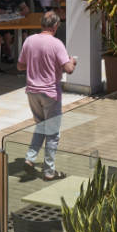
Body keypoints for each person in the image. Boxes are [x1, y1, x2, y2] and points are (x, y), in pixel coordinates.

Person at [17, 13, 76, 180]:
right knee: (52, 133)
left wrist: (35, 62)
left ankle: (30, 159)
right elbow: (69, 69)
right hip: (50, 92)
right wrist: (72, 61)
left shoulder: (29, 40)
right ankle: (49, 171)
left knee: (41, 126)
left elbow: (20, 65)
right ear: (55, 26)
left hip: (32, 91)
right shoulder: (57, 44)